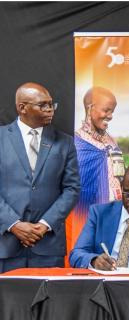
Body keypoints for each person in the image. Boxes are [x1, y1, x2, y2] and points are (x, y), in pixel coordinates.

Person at [0, 82, 80, 272]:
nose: (50, 109)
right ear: (22, 108)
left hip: (48, 246)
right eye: (43, 105)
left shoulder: (65, 143)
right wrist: (14, 224)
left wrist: (45, 225)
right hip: (6, 245)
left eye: (51, 104)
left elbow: (72, 189)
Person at [74, 86, 125, 220]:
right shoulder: (76, 142)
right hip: (87, 214)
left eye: (112, 111)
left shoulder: (112, 141)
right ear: (90, 108)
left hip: (115, 212)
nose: (110, 116)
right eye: (106, 110)